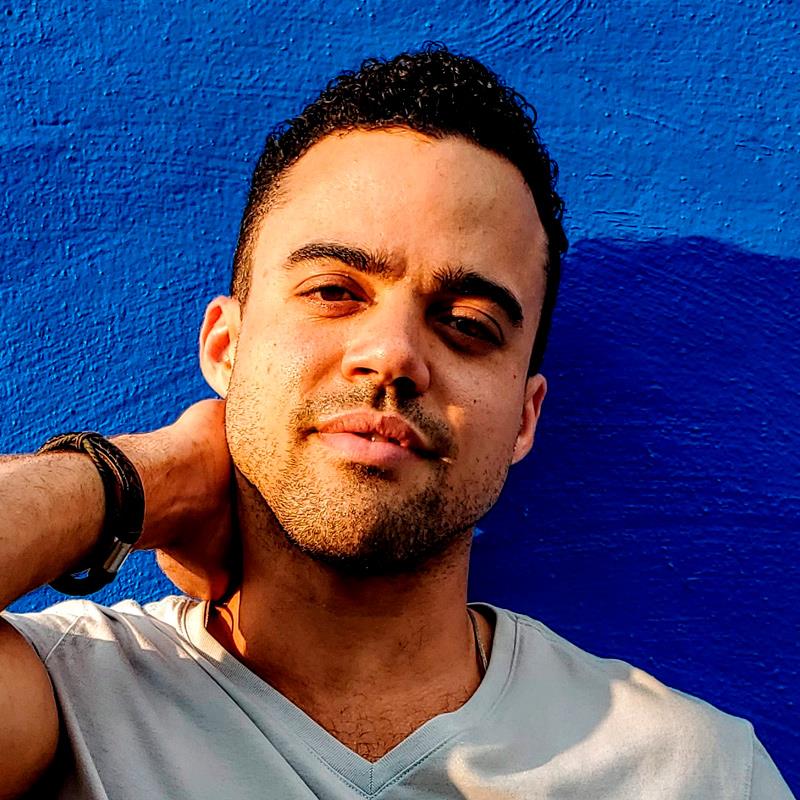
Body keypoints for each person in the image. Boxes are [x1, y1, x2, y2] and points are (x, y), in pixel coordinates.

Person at [0, 46, 793, 799]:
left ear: (525, 418)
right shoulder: (73, 692)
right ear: (225, 348)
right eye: (333, 292)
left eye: (469, 324)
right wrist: (144, 480)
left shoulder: (690, 773)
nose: (392, 355)